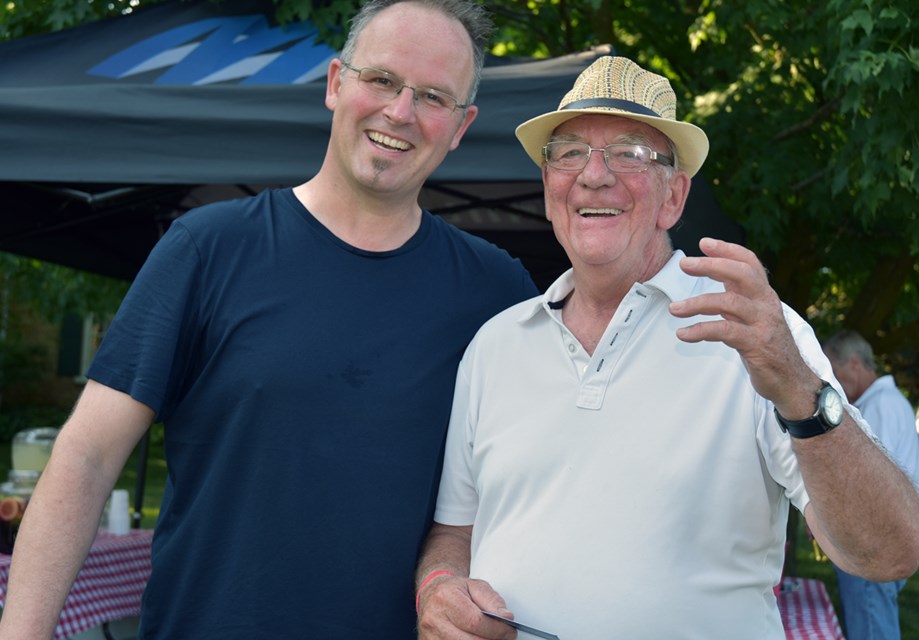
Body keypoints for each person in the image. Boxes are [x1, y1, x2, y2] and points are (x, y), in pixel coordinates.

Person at [0, 2, 538, 638]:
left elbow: (536, 480)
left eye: (432, 96)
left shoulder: (496, 291)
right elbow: (87, 455)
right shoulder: (207, 250)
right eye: (383, 81)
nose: (400, 111)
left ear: (460, 126)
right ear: (337, 83)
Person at [414, 55, 919, 639]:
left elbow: (889, 555)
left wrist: (799, 388)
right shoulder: (495, 345)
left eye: (629, 152)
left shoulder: (756, 331)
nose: (593, 175)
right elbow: (456, 531)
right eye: (570, 151)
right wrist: (439, 588)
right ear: (550, 186)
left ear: (674, 198)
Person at [823, 329, 919, 640]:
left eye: (835, 372)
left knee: (872, 630)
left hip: (873, 541)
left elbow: (866, 482)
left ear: (855, 363)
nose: (833, 383)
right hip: (885, 538)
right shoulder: (889, 401)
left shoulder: (879, 406)